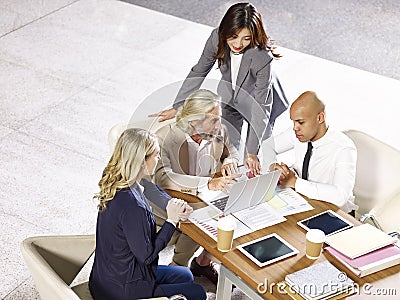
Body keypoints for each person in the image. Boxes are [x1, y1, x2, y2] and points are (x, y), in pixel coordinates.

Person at [150, 2, 288, 176]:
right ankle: (230, 180)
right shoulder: (216, 37)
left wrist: (252, 153)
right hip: (231, 95)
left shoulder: (262, 57)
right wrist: (179, 106)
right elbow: (199, 70)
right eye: (234, 36)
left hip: (260, 101)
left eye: (246, 38)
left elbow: (261, 110)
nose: (238, 44)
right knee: (230, 150)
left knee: (254, 155)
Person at [89, 128, 206, 300]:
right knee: (199, 293)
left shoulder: (118, 178)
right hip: (122, 290)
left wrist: (173, 204)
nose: (158, 159)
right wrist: (171, 221)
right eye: (156, 155)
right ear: (142, 160)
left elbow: (150, 189)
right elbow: (147, 256)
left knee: (185, 275)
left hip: (106, 276)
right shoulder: (133, 207)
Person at [154, 89, 240, 285]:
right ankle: (179, 267)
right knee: (203, 218)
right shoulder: (163, 138)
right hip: (169, 201)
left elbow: (233, 152)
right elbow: (162, 178)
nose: (220, 125)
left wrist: (229, 161)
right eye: (214, 120)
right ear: (194, 121)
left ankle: (198, 263)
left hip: (204, 197)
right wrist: (207, 183)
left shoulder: (219, 131)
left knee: (236, 210)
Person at [269, 91, 358, 213]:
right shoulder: (298, 133)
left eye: (300, 122)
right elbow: (267, 146)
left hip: (335, 213)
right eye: (293, 122)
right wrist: (273, 165)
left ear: (320, 118)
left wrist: (295, 182)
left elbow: (340, 196)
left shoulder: (344, 148)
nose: (295, 127)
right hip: (303, 202)